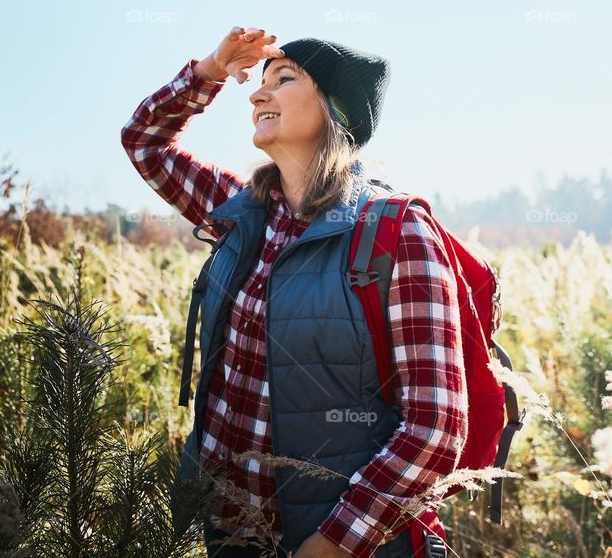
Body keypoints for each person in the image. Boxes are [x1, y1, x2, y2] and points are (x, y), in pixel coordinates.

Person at [120, 27, 467, 558]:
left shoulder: (397, 233)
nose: (258, 94)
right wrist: (208, 72)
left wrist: (329, 545)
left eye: (284, 79)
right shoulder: (239, 211)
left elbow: (435, 427)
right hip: (229, 536)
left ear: (337, 111)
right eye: (259, 84)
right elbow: (144, 140)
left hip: (341, 544)